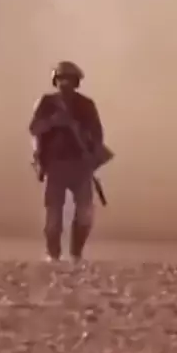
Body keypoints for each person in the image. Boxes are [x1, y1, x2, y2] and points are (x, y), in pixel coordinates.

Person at [29, 61, 105, 262]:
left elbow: (97, 135)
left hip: (80, 165)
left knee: (85, 215)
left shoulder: (86, 105)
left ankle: (76, 253)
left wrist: (90, 150)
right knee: (53, 216)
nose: (65, 83)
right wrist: (53, 122)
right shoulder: (47, 103)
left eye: (69, 79)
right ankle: (53, 254)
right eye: (61, 78)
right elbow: (34, 129)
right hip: (55, 165)